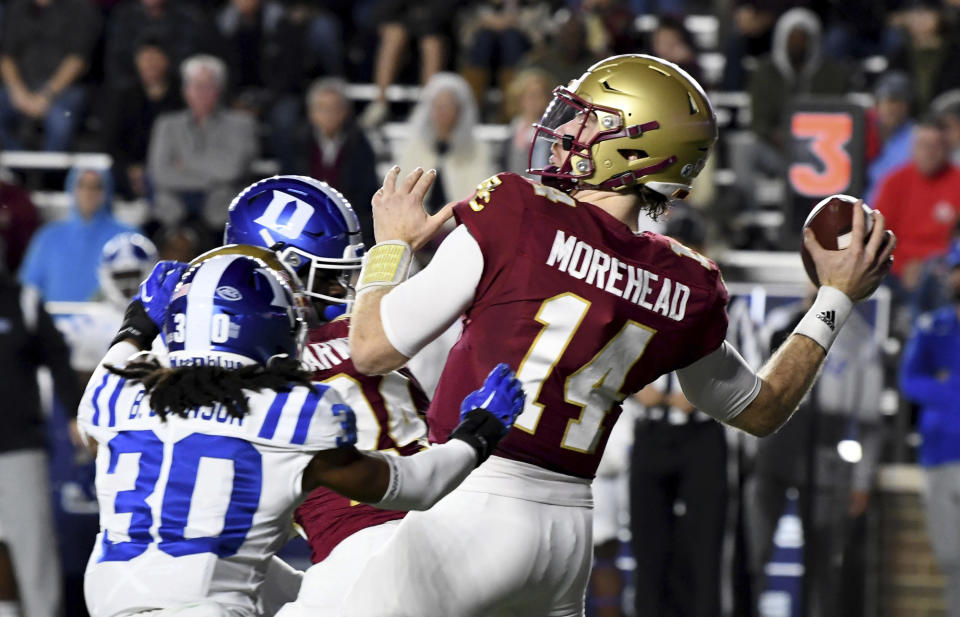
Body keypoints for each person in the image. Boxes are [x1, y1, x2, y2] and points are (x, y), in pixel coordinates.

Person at [343, 53, 895, 616]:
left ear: (634, 149)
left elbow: (370, 349)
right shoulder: (687, 280)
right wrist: (835, 298)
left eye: (588, 120)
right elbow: (762, 409)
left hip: (471, 498)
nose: (562, 131)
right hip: (567, 537)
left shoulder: (516, 208)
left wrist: (391, 247)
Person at [79, 252, 525, 617]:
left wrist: (139, 321)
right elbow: (418, 486)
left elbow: (116, 366)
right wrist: (478, 433)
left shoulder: (115, 392)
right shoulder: (287, 414)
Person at [748, 287, 883, 617]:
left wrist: (861, 480)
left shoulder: (860, 341)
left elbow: (869, 423)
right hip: (775, 444)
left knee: (823, 561)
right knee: (755, 553)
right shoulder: (781, 323)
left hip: (826, 452)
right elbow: (749, 389)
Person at [0, 262, 83, 617]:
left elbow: (58, 356)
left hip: (18, 448)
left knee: (34, 553)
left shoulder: (22, 301)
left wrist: (76, 413)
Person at [900, 245, 960, 617]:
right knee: (952, 560)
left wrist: (946, 383)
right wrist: (951, 389)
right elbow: (909, 380)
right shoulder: (932, 326)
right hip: (940, 452)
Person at [147, 54, 258, 234]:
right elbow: (160, 173)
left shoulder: (242, 124)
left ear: (219, 90)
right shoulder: (166, 124)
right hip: (172, 214)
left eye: (208, 86)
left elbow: (231, 170)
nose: (201, 92)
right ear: (185, 89)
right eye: (196, 85)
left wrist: (184, 164)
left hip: (221, 216)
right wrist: (212, 177)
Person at [18, 166, 135, 302]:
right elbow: (29, 287)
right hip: (55, 320)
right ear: (72, 189)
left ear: (107, 191)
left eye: (96, 187)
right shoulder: (48, 237)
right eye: (82, 186)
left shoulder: (128, 237)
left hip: (111, 320)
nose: (88, 193)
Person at [0, 0, 100, 151]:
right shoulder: (16, 8)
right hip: (20, 87)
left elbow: (78, 60)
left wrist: (46, 95)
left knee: (60, 121)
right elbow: (6, 57)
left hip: (64, 89)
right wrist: (19, 93)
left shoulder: (81, 8)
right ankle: (18, 169)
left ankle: (48, 173)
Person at [291, 79, 379, 247]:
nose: (329, 115)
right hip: (304, 221)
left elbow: (367, 192)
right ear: (311, 113)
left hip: (349, 222)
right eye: (322, 109)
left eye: (335, 108)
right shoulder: (298, 142)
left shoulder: (359, 143)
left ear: (345, 112)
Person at [864, 71, 915, 206]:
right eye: (884, 101)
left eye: (895, 101)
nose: (889, 108)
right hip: (865, 208)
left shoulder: (916, 136)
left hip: (901, 207)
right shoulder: (866, 131)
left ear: (906, 106)